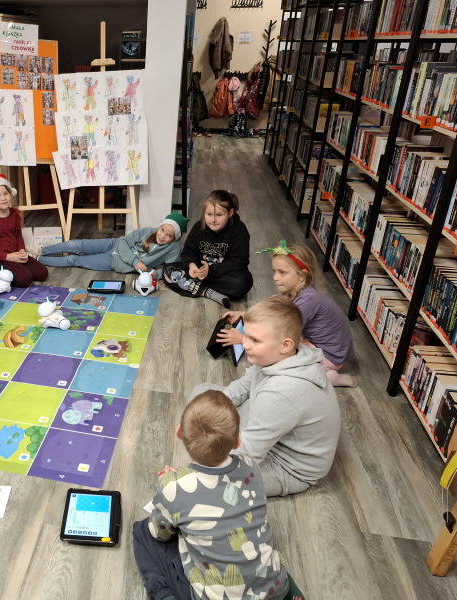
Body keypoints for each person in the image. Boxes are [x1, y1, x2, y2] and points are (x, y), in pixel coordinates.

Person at [133, 389, 288, 600]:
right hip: (275, 589)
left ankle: (164, 595)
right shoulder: (250, 466)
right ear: (237, 442)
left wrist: (169, 486)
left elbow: (160, 533)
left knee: (142, 531)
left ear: (179, 432)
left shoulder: (172, 487)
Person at [190, 295, 341, 497]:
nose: (245, 344)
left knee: (211, 484)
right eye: (245, 335)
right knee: (201, 396)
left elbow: (249, 453)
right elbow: (245, 384)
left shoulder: (281, 392)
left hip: (286, 468)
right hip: (269, 426)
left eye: (255, 340)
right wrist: (212, 409)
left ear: (285, 345)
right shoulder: (281, 355)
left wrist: (202, 463)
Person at [218, 241, 357, 387]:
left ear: (302, 276)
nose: (275, 277)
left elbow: (276, 333)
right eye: (274, 271)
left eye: (282, 272)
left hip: (329, 355)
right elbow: (272, 315)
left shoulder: (308, 301)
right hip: (316, 343)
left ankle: (329, 377)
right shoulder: (295, 292)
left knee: (280, 358)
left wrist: (243, 340)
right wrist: (243, 315)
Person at [163, 190, 253, 308]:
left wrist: (210, 270)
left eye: (219, 215)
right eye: (209, 214)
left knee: (243, 283)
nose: (213, 220)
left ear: (230, 213)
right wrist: (191, 266)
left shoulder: (239, 230)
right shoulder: (199, 226)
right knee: (167, 270)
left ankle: (193, 286)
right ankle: (208, 292)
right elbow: (188, 251)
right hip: (198, 272)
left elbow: (240, 261)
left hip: (222, 273)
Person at [37, 213, 187, 273]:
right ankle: (42, 251)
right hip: (112, 244)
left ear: (175, 238)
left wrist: (152, 274)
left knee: (74, 260)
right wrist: (135, 262)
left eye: (169, 235)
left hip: (113, 262)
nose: (162, 236)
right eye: (162, 230)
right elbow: (123, 242)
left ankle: (38, 259)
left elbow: (171, 270)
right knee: (76, 245)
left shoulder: (172, 248)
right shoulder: (148, 231)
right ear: (159, 226)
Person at [0, 174, 48, 288]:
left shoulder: (14, 213)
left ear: (10, 193)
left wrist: (21, 250)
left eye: (6, 193)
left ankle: (15, 271)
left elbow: (18, 235)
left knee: (42, 274)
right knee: (25, 279)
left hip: (16, 254)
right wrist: (8, 257)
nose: (3, 198)